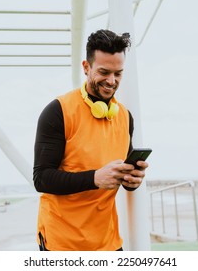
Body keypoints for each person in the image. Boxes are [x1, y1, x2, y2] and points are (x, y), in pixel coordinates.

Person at [33, 29, 149, 251]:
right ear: (86, 67)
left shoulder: (124, 116)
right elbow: (42, 178)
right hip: (63, 243)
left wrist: (132, 180)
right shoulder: (58, 111)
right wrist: (95, 178)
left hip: (108, 241)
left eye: (118, 73)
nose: (111, 81)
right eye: (104, 72)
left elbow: (119, 174)